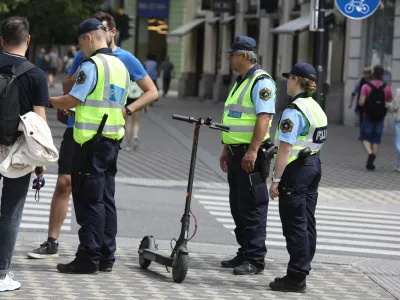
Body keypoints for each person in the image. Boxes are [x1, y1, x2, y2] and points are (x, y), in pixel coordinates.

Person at [27, 11, 157, 260]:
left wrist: (46, 101)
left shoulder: (105, 62)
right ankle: (103, 255)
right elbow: (75, 89)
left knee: (90, 200)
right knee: (98, 195)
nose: (80, 48)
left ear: (95, 36)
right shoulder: (104, 62)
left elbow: (75, 97)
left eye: (81, 43)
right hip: (101, 137)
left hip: (90, 139)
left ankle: (90, 256)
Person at [219, 36, 277, 275]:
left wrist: (253, 150)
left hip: (250, 155)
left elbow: (263, 118)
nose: (228, 57)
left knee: (253, 206)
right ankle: (244, 252)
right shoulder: (241, 81)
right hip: (236, 153)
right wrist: (225, 148)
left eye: (231, 54)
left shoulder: (261, 82)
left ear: (243, 55)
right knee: (238, 206)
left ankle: (255, 258)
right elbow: (233, 119)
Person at [268, 62, 327, 293]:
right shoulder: (315, 107)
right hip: (314, 165)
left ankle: (296, 277)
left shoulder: (294, 111)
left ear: (295, 80)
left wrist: (276, 180)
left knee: (295, 225)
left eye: (288, 78)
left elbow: (284, 149)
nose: (286, 82)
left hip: (296, 170)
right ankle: (302, 268)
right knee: (306, 221)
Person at [0, 16, 48, 291]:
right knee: (10, 212)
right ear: (28, 40)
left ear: (1, 39)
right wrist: (40, 162)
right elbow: (39, 122)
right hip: (18, 152)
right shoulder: (35, 74)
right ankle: (1, 274)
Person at [358, 65, 393, 170]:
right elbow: (389, 101)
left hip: (367, 115)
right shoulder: (387, 88)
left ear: (373, 74)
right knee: (376, 139)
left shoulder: (366, 87)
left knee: (364, 137)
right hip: (380, 117)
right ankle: (373, 156)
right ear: (382, 75)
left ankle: (370, 153)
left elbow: (361, 102)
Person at [386, 88, 400, 172]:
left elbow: (394, 107)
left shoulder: (399, 91)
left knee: (398, 143)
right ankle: (399, 165)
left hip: (399, 121)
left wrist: (387, 105)